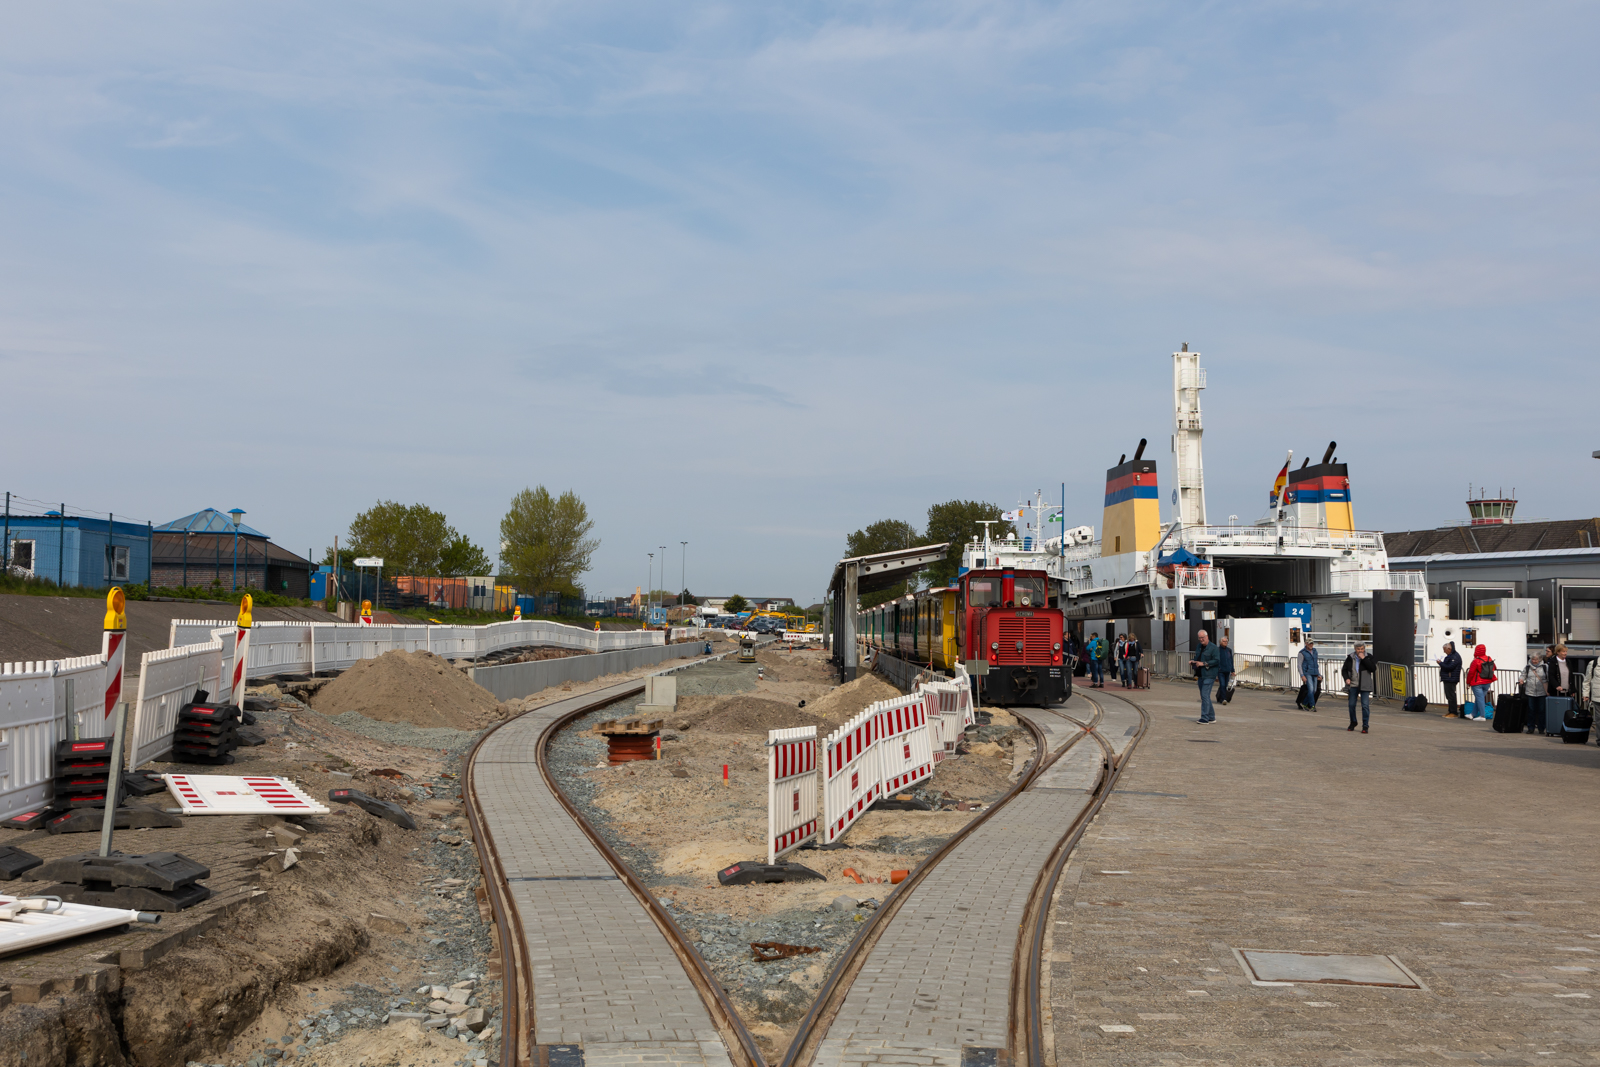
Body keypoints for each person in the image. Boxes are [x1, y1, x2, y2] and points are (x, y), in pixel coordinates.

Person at [1342, 642, 1377, 733]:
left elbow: (1373, 668)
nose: (1360, 651)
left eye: (1362, 649)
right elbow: (1344, 670)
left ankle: (1365, 725)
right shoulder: (1350, 658)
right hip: (1353, 685)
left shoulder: (1369, 657)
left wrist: (1364, 658)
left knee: (1365, 705)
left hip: (1365, 685)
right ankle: (1353, 722)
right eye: (1358, 649)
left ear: (1364, 648)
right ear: (1355, 649)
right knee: (1351, 705)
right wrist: (1346, 679)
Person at [1190, 629, 1221, 723]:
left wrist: (1204, 663)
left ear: (1207, 637)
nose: (1201, 639)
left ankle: (1204, 717)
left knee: (1204, 695)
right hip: (1200, 675)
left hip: (1209, 675)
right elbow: (1197, 658)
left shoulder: (1214, 648)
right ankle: (1211, 717)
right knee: (1205, 696)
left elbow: (1217, 661)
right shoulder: (1199, 646)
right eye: (1199, 638)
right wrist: (1193, 661)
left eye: (1202, 637)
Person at [1465, 644, 1494, 720]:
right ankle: (1472, 714)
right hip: (1487, 682)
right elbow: (1494, 668)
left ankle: (1482, 716)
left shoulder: (1476, 661)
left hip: (1477, 682)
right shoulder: (1489, 658)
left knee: (1480, 699)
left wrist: (1468, 682)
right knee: (1479, 698)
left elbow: (1471, 673)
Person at [1523, 652, 1548, 735]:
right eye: (1532, 659)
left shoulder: (1545, 667)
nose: (1534, 661)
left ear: (1540, 659)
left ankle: (1541, 728)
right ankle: (1530, 728)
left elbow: (1548, 677)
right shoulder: (1527, 667)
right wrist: (1521, 679)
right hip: (1530, 691)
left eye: (1536, 659)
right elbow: (1523, 675)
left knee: (1541, 710)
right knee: (1531, 710)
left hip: (1542, 691)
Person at [1437, 641, 1463, 718]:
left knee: (1451, 695)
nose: (1444, 651)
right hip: (1449, 678)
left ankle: (1454, 712)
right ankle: (1450, 711)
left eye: (1444, 650)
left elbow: (1450, 667)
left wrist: (1440, 663)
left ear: (1449, 649)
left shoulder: (1454, 656)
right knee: (1449, 695)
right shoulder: (1452, 656)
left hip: (1451, 678)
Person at [1297, 639, 1320, 711]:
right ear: (1306, 643)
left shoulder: (1315, 651)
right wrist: (1302, 675)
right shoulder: (1302, 653)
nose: (1311, 645)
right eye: (1309, 643)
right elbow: (1299, 665)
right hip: (1307, 673)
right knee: (1311, 690)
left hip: (1315, 673)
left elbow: (1315, 663)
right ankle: (1312, 706)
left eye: (1312, 643)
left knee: (1314, 690)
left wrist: (1319, 674)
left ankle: (1304, 703)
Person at [1217, 635, 1236, 703]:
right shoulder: (1218, 650)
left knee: (1225, 685)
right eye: (1224, 641)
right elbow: (1216, 660)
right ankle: (1223, 699)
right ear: (1220, 642)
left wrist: (1232, 670)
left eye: (1226, 641)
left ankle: (1220, 697)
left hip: (1227, 671)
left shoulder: (1229, 650)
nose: (1225, 642)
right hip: (1220, 671)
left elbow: (1231, 660)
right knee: (1222, 684)